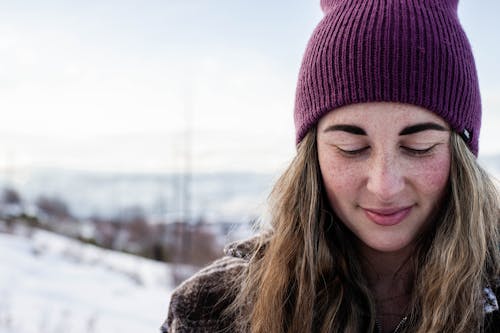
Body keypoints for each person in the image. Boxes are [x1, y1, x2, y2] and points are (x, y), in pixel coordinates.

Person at [160, 0, 500, 332]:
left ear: (461, 154)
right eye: (351, 148)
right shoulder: (211, 313)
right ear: (313, 154)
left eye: (418, 147)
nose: (384, 185)